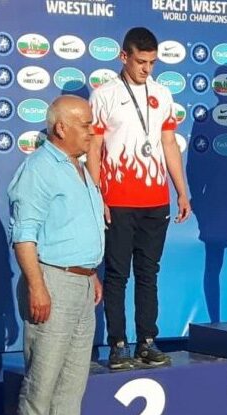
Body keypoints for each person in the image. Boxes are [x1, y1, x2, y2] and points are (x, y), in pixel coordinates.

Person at [86, 27, 191, 370]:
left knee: (149, 273)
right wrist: (97, 193)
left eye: (152, 62)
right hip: (117, 199)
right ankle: (117, 344)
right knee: (117, 274)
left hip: (155, 200)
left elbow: (169, 144)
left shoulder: (162, 93)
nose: (147, 69)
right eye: (141, 61)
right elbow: (95, 149)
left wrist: (181, 190)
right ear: (124, 56)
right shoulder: (104, 95)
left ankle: (147, 340)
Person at [9, 95, 104, 415]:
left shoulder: (78, 168)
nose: (92, 132)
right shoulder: (39, 169)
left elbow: (73, 227)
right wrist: (37, 286)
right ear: (61, 127)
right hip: (52, 284)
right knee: (41, 389)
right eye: (86, 125)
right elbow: (24, 235)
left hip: (81, 286)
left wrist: (89, 273)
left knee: (71, 390)